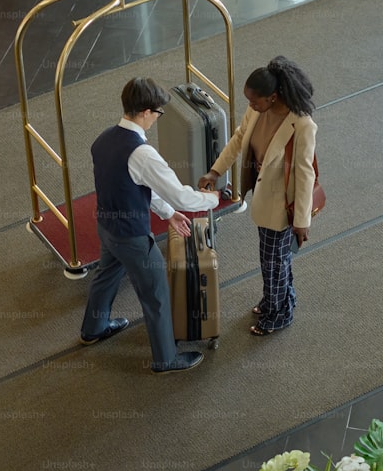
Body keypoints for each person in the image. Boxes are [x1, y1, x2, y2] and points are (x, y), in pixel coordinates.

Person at [81, 77, 220, 374]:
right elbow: (180, 194)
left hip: (106, 226)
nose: (158, 118)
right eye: (158, 113)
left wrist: (167, 214)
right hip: (132, 236)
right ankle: (165, 359)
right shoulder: (142, 153)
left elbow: (139, 186)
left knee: (105, 277)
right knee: (156, 295)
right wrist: (212, 199)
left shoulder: (103, 139)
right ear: (146, 111)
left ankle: (93, 328)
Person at [198, 56, 317, 336]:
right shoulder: (258, 110)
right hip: (264, 198)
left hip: (280, 206)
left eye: (255, 102)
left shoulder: (302, 126)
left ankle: (279, 314)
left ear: (273, 97)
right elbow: (239, 138)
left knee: (273, 261)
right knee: (274, 258)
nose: (250, 107)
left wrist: (302, 221)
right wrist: (215, 172)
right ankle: (279, 300)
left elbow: (304, 174)